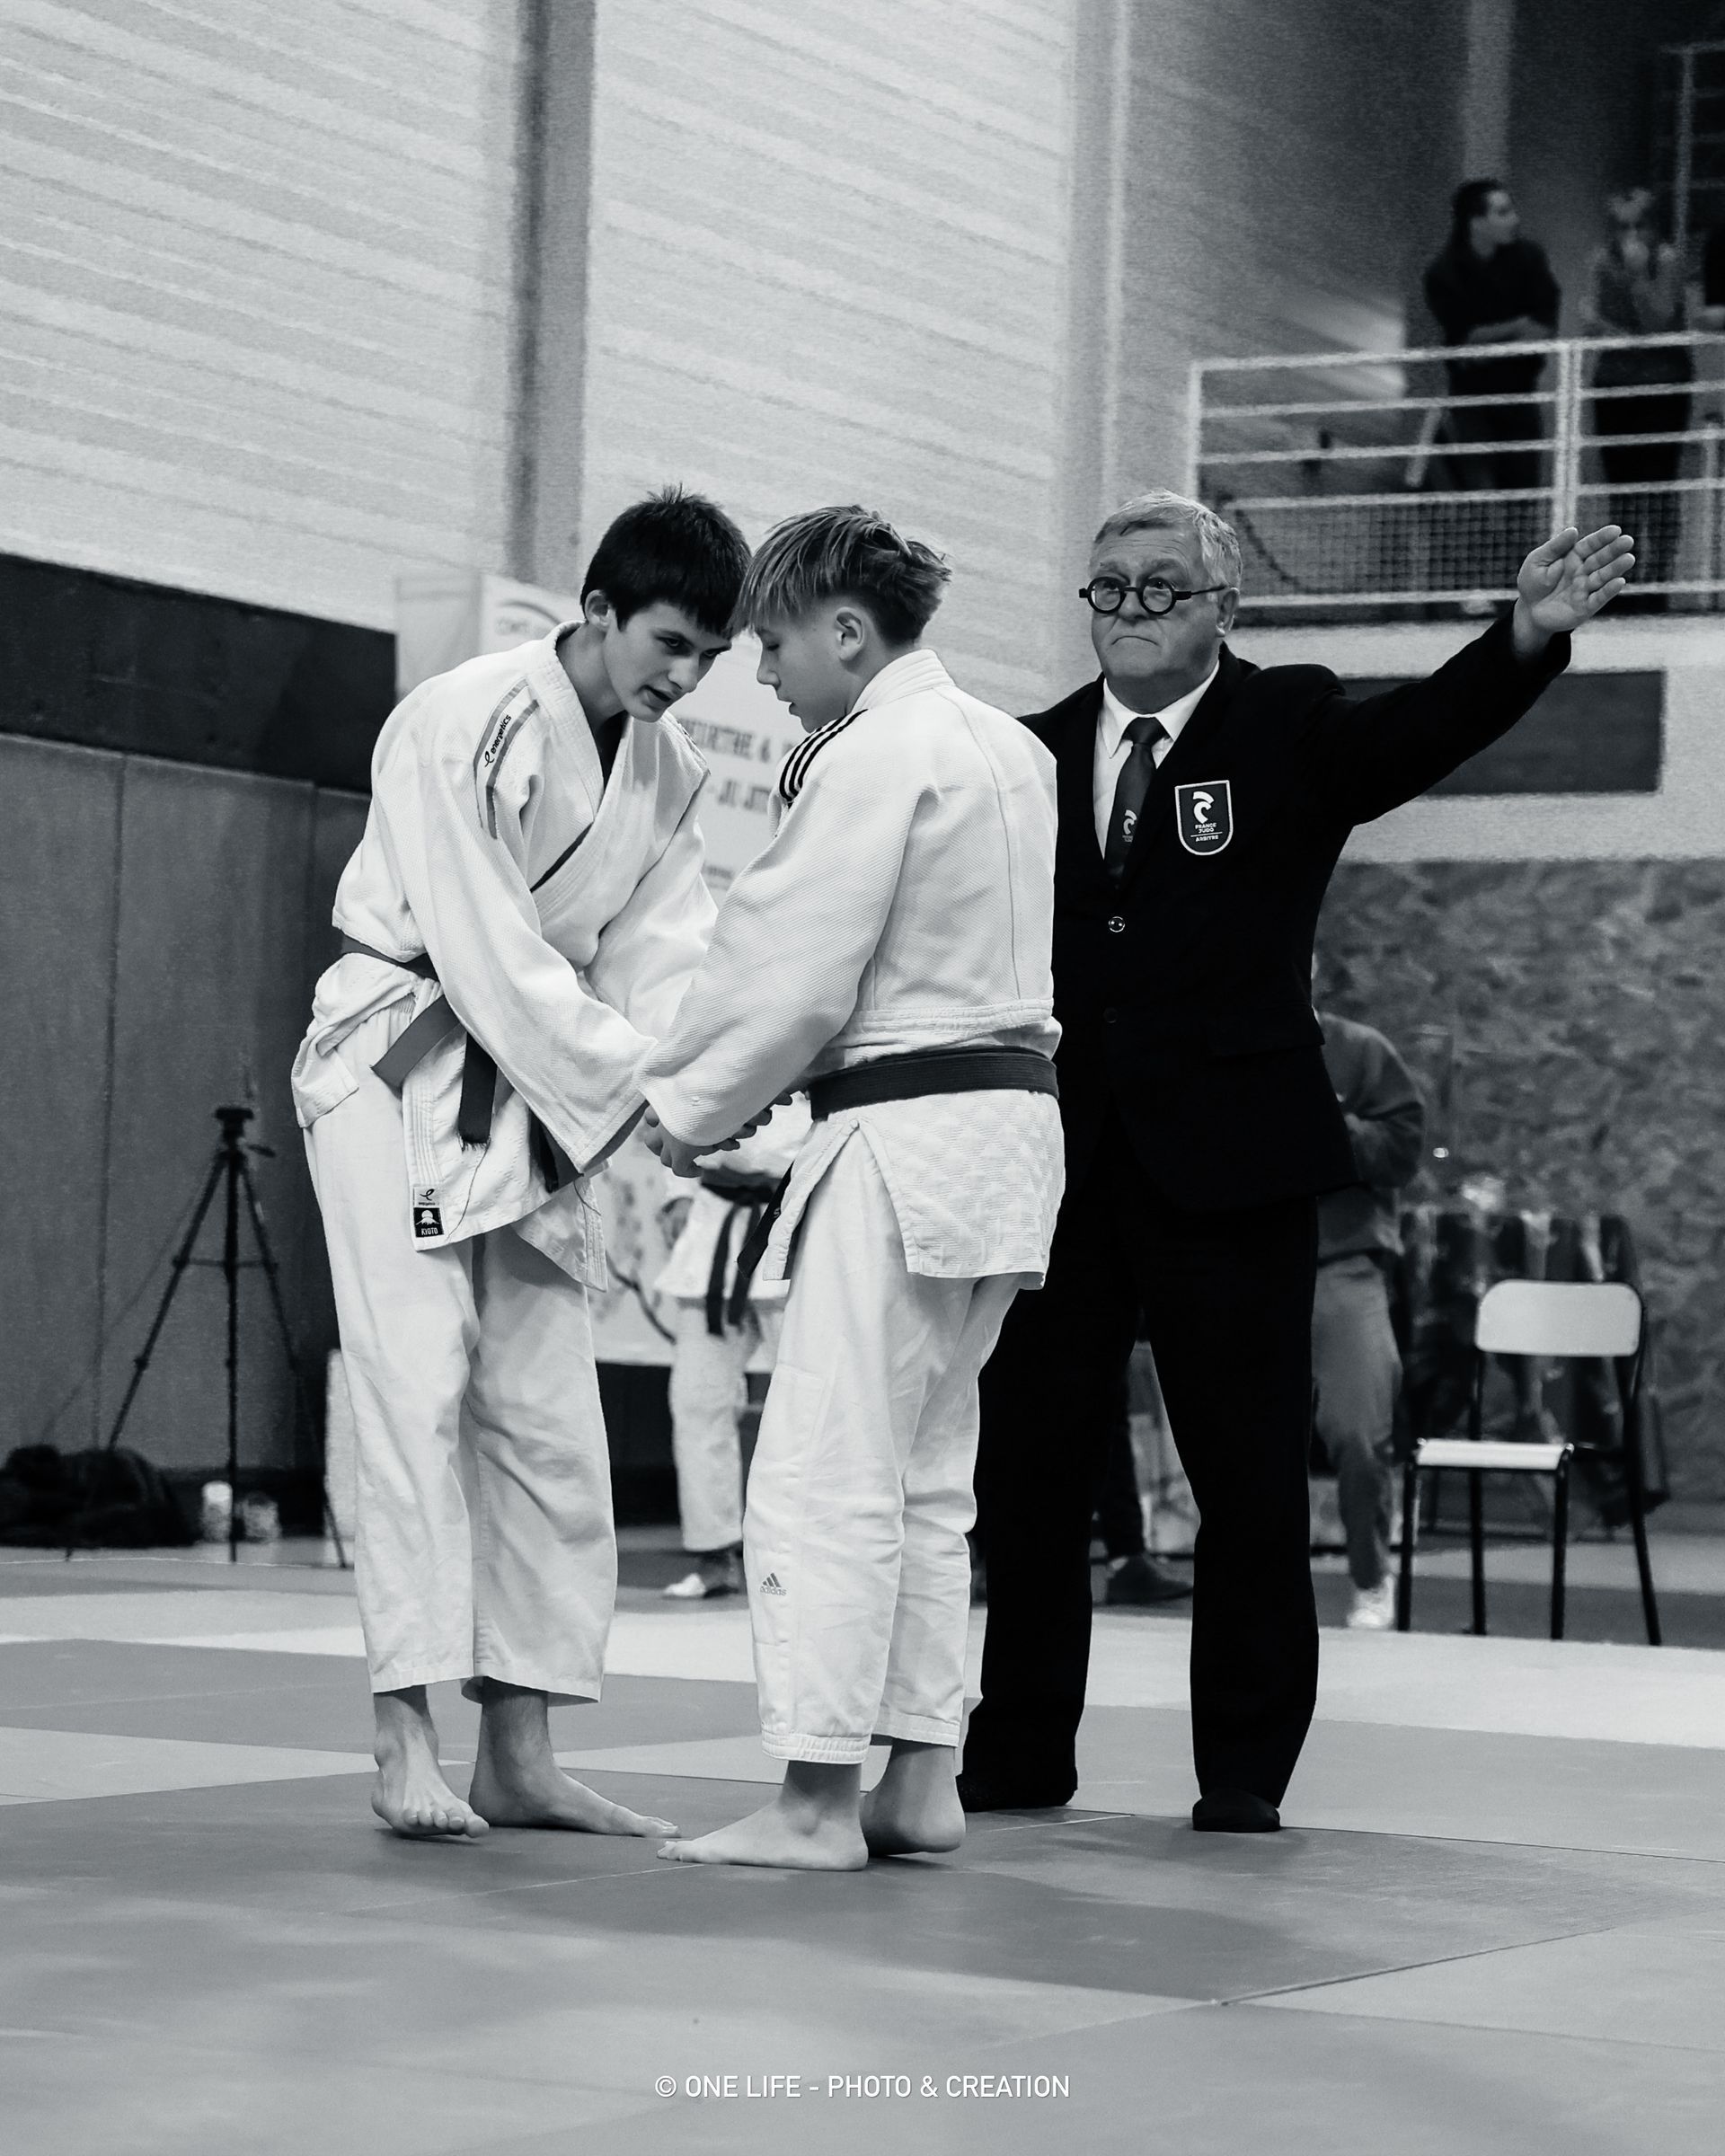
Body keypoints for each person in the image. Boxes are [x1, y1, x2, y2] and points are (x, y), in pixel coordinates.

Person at [961, 488, 1633, 1832]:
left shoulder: (1284, 721)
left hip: (1233, 1161)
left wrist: (1525, 637)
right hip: (1063, 1163)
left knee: (1248, 1476)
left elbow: (1418, 733)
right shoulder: (1026, 754)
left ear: (1223, 604)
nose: (1132, 608)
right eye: (1110, 585)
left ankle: (1244, 1770)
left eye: (1162, 584)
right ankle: (1020, 1749)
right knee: (1031, 1471)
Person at [292, 487, 751, 1842]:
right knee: (414, 1379)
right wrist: (647, 1101)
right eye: (669, 643)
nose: (686, 677)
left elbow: (664, 958)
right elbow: (487, 950)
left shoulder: (666, 771)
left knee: (548, 1415)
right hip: (402, 1056)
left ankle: (521, 1752)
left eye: (711, 656)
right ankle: (401, 1736)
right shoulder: (466, 715)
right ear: (598, 610)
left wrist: (704, 1094)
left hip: (542, 1087)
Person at [636, 505, 1063, 1870]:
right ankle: (921, 1779)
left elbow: (791, 959)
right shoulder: (1014, 748)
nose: (762, 673)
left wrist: (681, 1106)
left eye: (773, 645)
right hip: (1010, 1135)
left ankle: (817, 1798)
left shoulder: (874, 750)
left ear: (845, 630)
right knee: (928, 1473)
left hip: (902, 1134)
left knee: (826, 1469)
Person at [654, 1097, 810, 1599]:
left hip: (797, 1216)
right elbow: (682, 1097)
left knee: (811, 1402)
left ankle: (812, 1550)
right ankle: (715, 1551)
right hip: (715, 1222)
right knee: (697, 1400)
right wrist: (677, 1191)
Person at [1310, 1003, 1425, 1630]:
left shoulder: (1360, 1049)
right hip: (1242, 1263)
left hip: (1342, 1262)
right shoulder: (1215, 1046)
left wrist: (1326, 1118)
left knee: (1357, 1432)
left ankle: (1371, 1577)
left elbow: (1403, 1152)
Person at [1424, 180, 1560, 569]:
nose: (1514, 219)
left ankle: (1519, 584)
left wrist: (1485, 342)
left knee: (1523, 497)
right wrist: (1514, 327)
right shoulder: (1445, 271)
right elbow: (1462, 339)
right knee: (1478, 495)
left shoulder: (1529, 259)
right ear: (1476, 221)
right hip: (1471, 399)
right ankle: (1479, 580)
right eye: (1502, 212)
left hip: (1519, 393)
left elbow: (1543, 327)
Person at [1582, 189, 1691, 605]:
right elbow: (1591, 318)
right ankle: (1623, 583)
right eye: (1621, 226)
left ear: (1653, 227)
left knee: (1659, 483)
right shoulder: (1600, 259)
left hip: (1663, 383)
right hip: (1615, 382)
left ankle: (1658, 584)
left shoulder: (1668, 259)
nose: (1629, 235)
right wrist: (1623, 336)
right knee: (1621, 487)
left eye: (1638, 225)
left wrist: (1638, 276)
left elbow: (1658, 320)